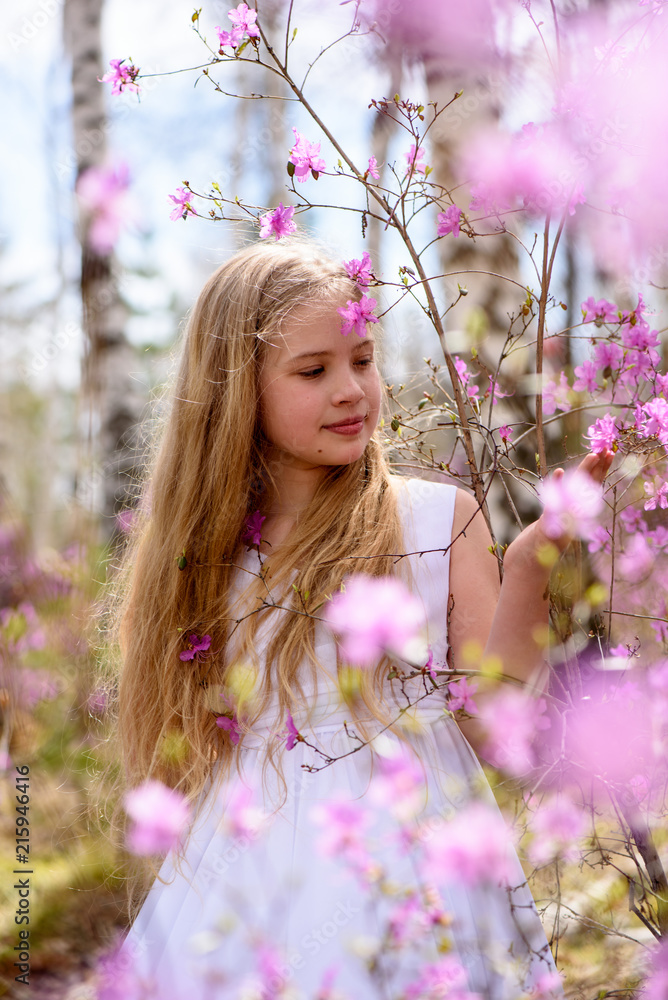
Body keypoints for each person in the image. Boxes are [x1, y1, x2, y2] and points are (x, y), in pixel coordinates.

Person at [109, 239, 610, 1000]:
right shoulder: (203, 553)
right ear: (236, 391)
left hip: (416, 862)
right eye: (313, 370)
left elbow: (490, 716)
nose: (352, 390)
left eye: (364, 359)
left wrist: (538, 563)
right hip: (255, 873)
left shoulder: (437, 520)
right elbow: (187, 740)